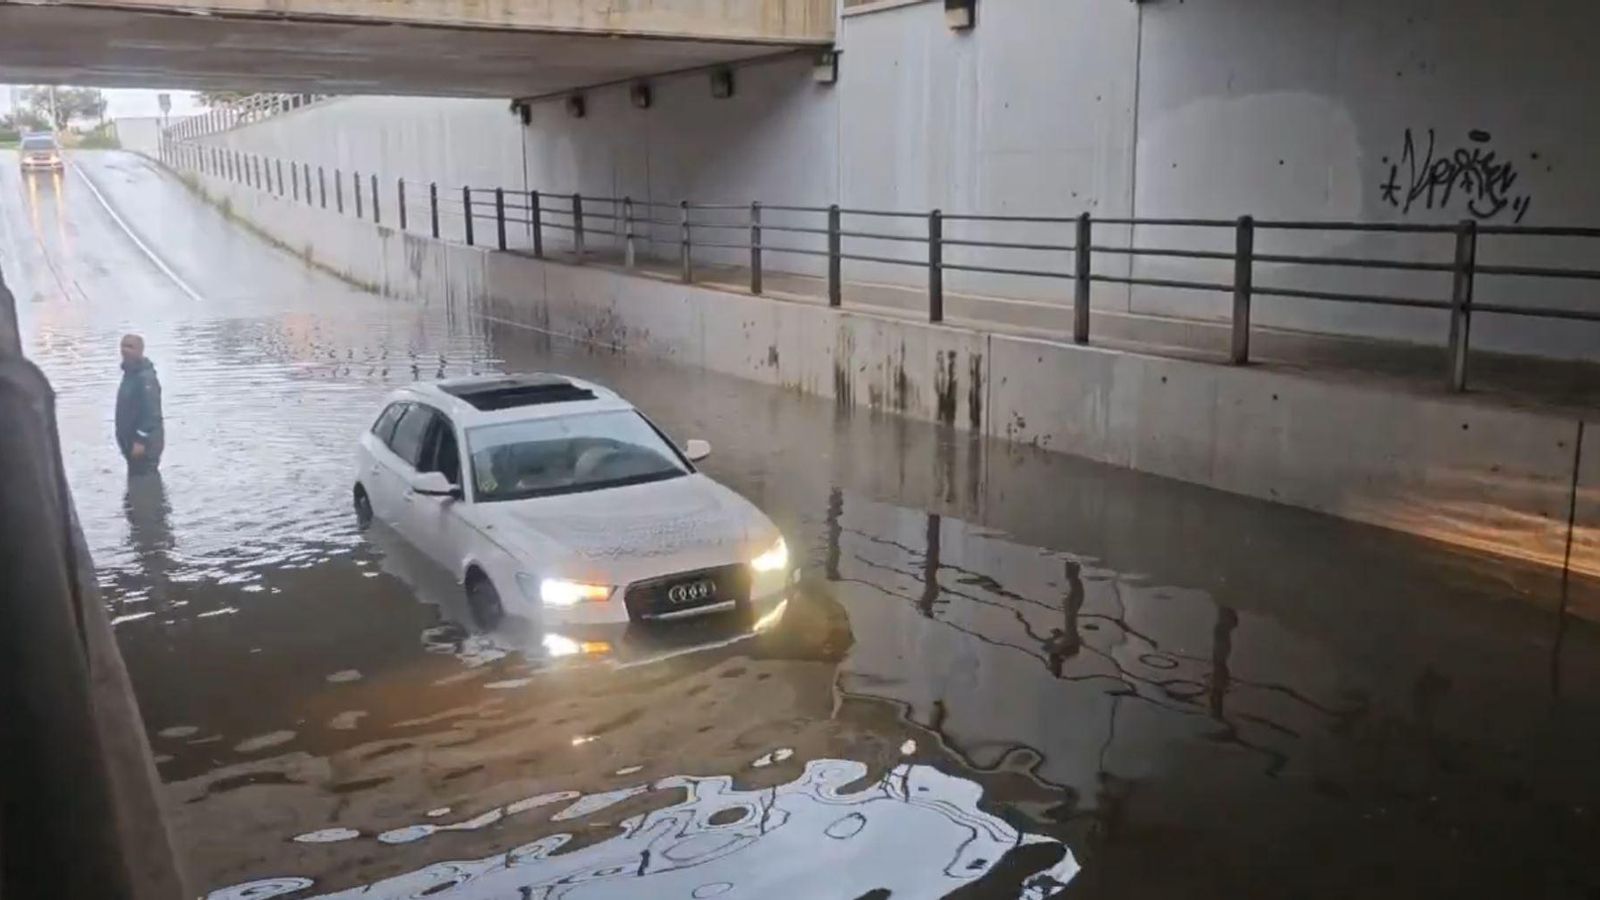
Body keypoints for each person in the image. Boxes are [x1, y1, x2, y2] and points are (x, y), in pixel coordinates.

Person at [115, 334, 163, 475]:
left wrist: (140, 440)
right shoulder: (130, 374)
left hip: (144, 445)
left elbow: (151, 412)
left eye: (130, 347)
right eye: (123, 346)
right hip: (130, 441)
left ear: (140, 350)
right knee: (135, 479)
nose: (125, 350)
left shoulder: (146, 378)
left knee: (145, 481)